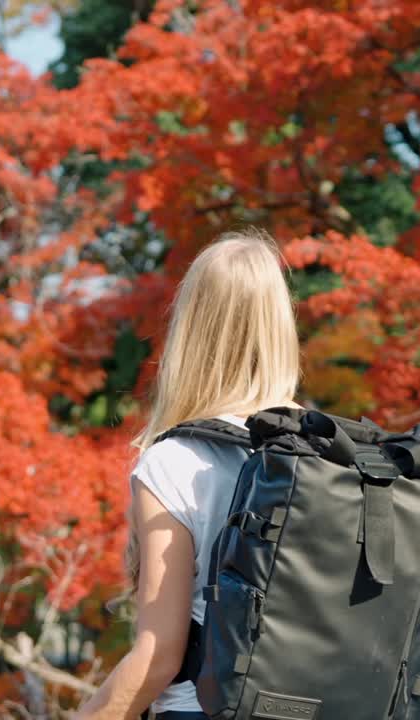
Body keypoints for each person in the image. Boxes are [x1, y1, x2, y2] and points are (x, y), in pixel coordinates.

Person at [75, 229, 301, 720]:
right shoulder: (320, 457)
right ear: (280, 326)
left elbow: (160, 654)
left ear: (191, 330)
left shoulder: (176, 461)